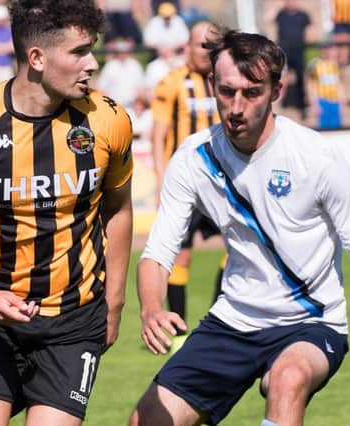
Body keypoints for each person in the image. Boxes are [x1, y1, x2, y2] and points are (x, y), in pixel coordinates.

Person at [129, 29, 350, 426]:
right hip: (233, 320)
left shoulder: (316, 156)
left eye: (251, 92)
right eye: (226, 91)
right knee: (147, 420)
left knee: (287, 379)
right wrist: (151, 308)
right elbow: (158, 253)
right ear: (210, 85)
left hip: (312, 321)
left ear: (277, 91)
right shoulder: (193, 158)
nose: (236, 107)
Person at [0, 1, 134, 425]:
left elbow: (120, 210)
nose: (91, 63)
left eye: (91, 50)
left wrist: (114, 302)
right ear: (36, 58)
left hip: (75, 322)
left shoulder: (108, 120)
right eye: (78, 52)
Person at [150, 21, 225, 347]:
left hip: (222, 183)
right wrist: (161, 179)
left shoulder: (226, 80)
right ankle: (179, 332)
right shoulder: (172, 82)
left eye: (212, 45)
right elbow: (159, 134)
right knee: (180, 257)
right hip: (186, 186)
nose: (206, 51)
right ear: (188, 47)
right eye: (200, 45)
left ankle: (218, 321)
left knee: (241, 248)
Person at [266, 0, 313, 119]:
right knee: (281, 77)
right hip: (283, 52)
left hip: (299, 51)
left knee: (301, 78)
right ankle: (281, 105)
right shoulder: (280, 14)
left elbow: (311, 30)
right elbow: (267, 19)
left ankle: (302, 106)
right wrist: (278, 5)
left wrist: (308, 39)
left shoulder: (303, 15)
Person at [307, 38, 347, 129]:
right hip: (322, 102)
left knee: (337, 129)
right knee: (324, 130)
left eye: (329, 49)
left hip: (335, 102)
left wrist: (343, 101)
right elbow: (311, 86)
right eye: (324, 49)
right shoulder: (315, 65)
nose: (327, 51)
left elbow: (339, 85)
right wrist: (314, 104)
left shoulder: (336, 65)